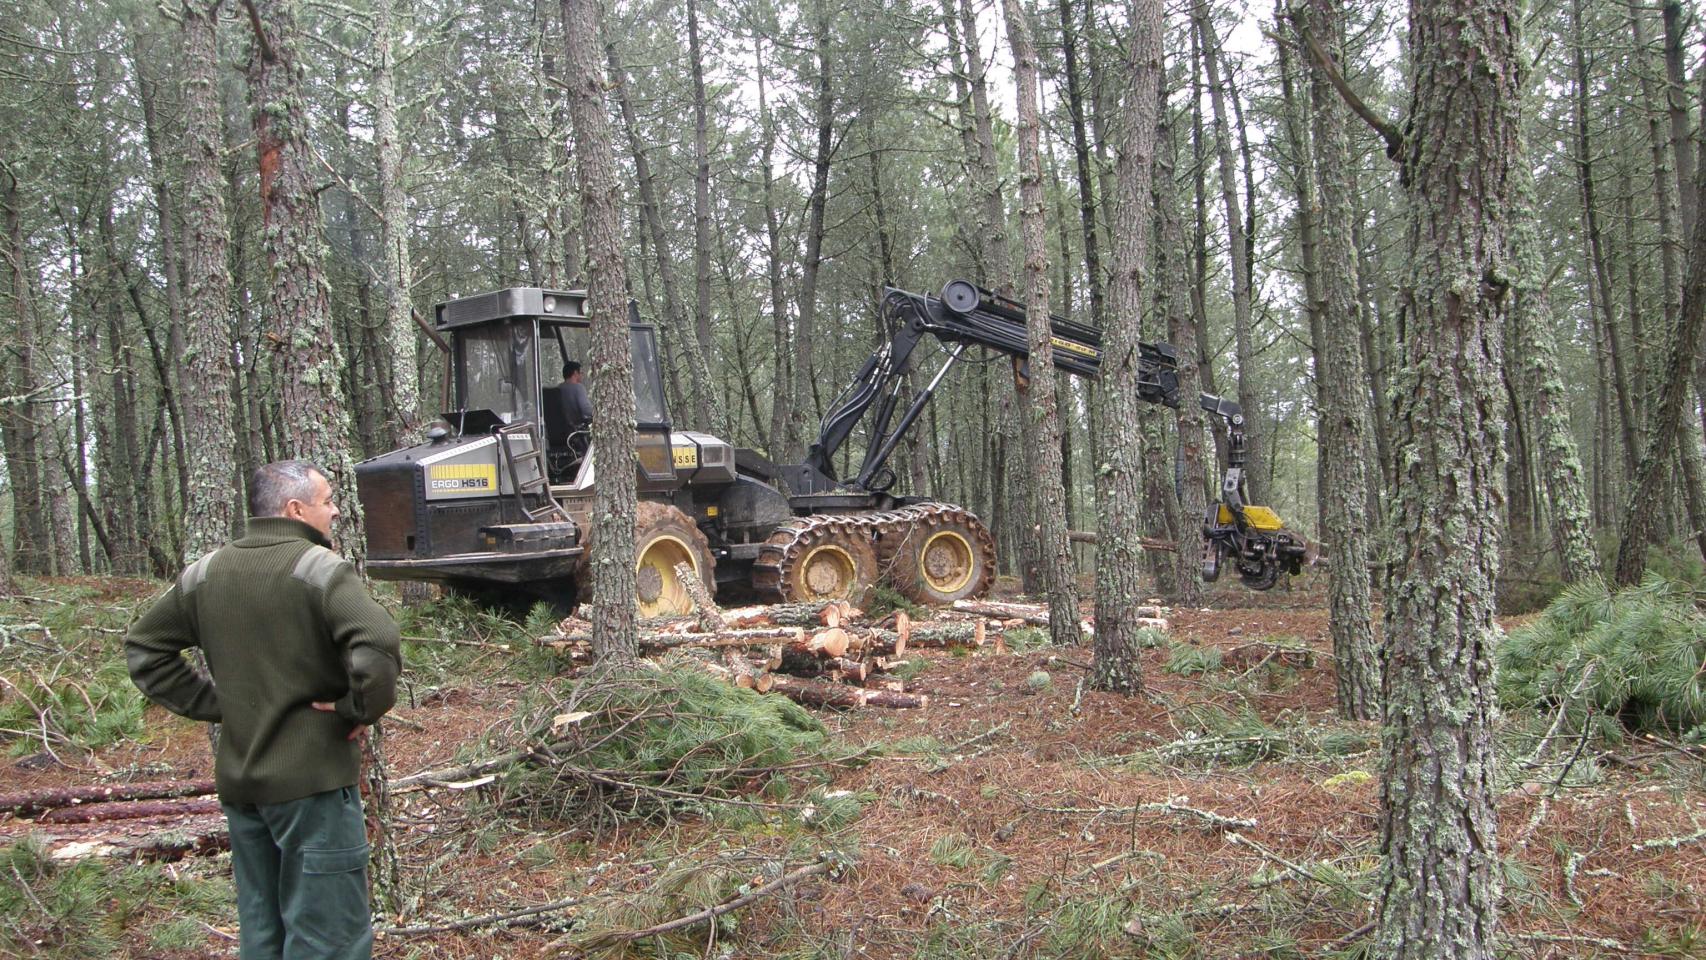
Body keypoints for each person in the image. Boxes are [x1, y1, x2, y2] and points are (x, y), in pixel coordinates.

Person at [126, 461, 402, 960]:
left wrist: (217, 705)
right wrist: (356, 709)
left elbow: (146, 649)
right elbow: (378, 641)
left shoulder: (205, 573)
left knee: (263, 930)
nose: (336, 510)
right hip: (313, 785)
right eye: (327, 500)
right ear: (295, 509)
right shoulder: (319, 571)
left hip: (243, 785)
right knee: (329, 938)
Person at [560, 359, 594, 436]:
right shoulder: (578, 388)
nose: (582, 375)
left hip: (561, 433)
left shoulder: (558, 389)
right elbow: (586, 410)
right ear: (575, 373)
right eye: (581, 373)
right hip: (576, 432)